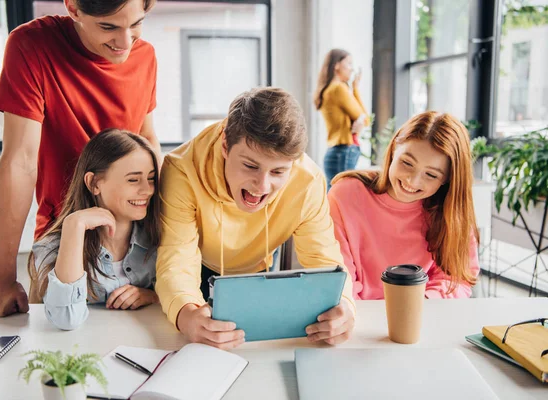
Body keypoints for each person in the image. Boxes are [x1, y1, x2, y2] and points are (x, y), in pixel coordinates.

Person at [0, 0, 161, 317]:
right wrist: (2, 275)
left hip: (129, 243)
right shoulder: (32, 45)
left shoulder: (145, 56)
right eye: (108, 27)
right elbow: (19, 162)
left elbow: (146, 140)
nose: (125, 42)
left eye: (136, 24)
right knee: (59, 339)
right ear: (73, 7)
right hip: (62, 236)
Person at [155, 87, 356, 350]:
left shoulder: (309, 181)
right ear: (225, 145)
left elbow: (325, 260)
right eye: (250, 166)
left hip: (257, 273)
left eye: (278, 171)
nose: (261, 186)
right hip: (197, 269)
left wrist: (345, 306)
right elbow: (177, 258)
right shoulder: (181, 169)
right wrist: (186, 316)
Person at [328, 111, 480, 300]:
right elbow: (340, 279)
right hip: (358, 315)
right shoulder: (346, 194)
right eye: (407, 163)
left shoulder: (450, 212)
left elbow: (456, 280)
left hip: (422, 315)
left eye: (431, 175)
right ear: (393, 150)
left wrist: (417, 304)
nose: (413, 181)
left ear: (447, 179)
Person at [29, 129, 161, 330]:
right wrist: (74, 226)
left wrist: (153, 296)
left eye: (151, 179)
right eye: (133, 180)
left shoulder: (160, 240)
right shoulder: (51, 247)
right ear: (94, 183)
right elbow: (66, 319)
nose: (147, 190)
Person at [314, 49, 369, 190]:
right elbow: (365, 119)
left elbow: (362, 120)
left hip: (335, 151)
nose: (352, 69)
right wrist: (355, 88)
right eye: (349, 64)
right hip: (344, 151)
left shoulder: (328, 89)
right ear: (337, 65)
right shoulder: (338, 88)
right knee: (342, 199)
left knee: (332, 199)